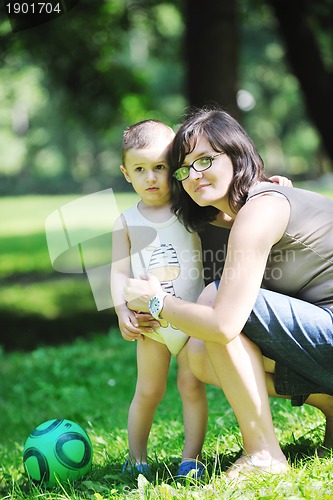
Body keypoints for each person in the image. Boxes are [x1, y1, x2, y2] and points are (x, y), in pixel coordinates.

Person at [124, 108, 333, 479]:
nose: (194, 175)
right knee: (201, 356)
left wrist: (157, 302)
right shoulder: (242, 213)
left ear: (238, 154)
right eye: (184, 169)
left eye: (205, 160)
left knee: (213, 305)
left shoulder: (261, 209)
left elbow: (224, 323)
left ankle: (264, 455)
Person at [111, 119, 208, 479]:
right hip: (151, 325)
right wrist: (122, 311)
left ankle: (191, 459)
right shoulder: (126, 220)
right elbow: (118, 273)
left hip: (190, 318)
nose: (151, 177)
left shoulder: (191, 207)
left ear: (175, 167)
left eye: (160, 167)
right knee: (148, 390)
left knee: (191, 386)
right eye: (140, 169)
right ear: (126, 173)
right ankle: (136, 458)